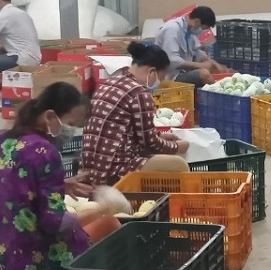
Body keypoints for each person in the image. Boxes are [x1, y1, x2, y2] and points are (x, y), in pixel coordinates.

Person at [0, 82, 111, 270]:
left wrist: (60, 184)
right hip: (29, 262)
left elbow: (13, 186)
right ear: (49, 116)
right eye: (71, 123)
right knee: (108, 227)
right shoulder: (45, 152)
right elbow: (55, 222)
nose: (72, 130)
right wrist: (104, 208)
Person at [79, 41, 190, 186]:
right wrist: (178, 146)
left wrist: (159, 135)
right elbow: (150, 143)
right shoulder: (139, 93)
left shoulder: (107, 84)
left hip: (89, 170)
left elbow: (125, 131)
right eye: (161, 78)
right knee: (178, 164)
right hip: (112, 171)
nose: (159, 83)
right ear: (152, 72)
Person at [155, 5, 227, 86]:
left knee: (216, 69)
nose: (202, 31)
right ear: (197, 21)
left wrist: (216, 65)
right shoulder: (172, 29)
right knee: (204, 74)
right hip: (170, 76)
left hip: (183, 72)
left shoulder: (190, 32)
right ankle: (217, 90)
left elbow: (198, 54)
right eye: (203, 28)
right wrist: (201, 65)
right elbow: (172, 60)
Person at [0, 0, 42, 72]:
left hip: (21, 58)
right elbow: (20, 39)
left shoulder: (3, 16)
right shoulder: (22, 13)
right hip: (35, 57)